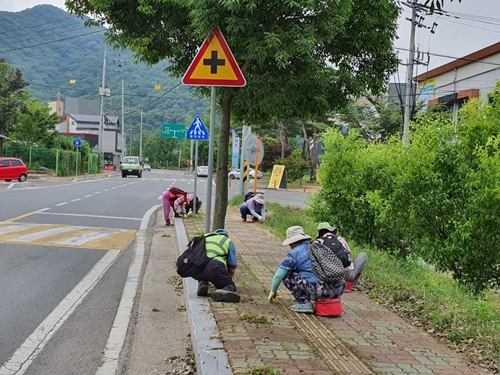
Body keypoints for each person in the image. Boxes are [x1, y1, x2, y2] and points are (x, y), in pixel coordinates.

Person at [268, 225, 345, 313]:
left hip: (321, 291)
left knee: (288, 275)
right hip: (338, 288)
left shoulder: (294, 253)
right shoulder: (317, 245)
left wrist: (273, 291)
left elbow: (278, 276)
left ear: (293, 242)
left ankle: (304, 303)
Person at [316, 222, 368, 291]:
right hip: (348, 275)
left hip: (329, 277)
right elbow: (349, 252)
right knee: (363, 255)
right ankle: (353, 283)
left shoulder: (317, 242)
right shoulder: (340, 239)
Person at [195, 229, 240, 303]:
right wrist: (228, 278)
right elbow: (232, 267)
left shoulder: (204, 237)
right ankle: (223, 290)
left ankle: (203, 283)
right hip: (215, 266)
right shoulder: (228, 241)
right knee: (230, 286)